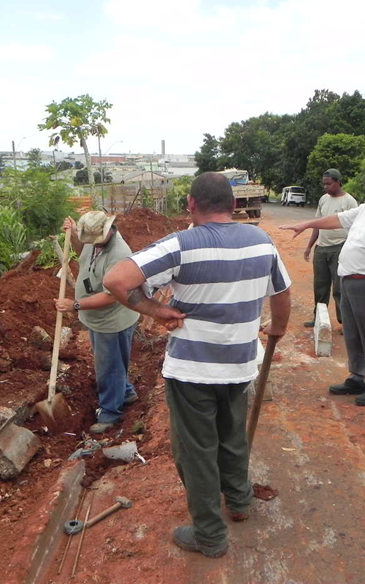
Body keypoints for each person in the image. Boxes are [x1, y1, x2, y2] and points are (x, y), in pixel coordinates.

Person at [103, 172, 292, 558]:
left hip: (193, 370)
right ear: (234, 204)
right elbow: (283, 291)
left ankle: (209, 534)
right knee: (232, 435)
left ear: (191, 204)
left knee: (197, 451)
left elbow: (116, 279)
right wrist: (279, 328)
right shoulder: (262, 241)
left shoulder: (181, 245)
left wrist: (156, 311)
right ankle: (239, 501)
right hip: (240, 364)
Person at [281, 162, 365, 406]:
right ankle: (357, 376)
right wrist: (307, 224)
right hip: (349, 281)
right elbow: (337, 220)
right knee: (352, 332)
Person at [54, 211, 141, 434]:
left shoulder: (120, 254)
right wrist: (73, 235)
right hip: (97, 319)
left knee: (108, 367)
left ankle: (111, 412)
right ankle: (126, 392)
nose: (92, 243)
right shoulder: (96, 241)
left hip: (112, 320)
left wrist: (74, 305)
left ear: (109, 230)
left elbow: (111, 295)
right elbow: (83, 252)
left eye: (95, 239)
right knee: (114, 360)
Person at [302, 168, 357, 328]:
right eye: (324, 184)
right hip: (322, 248)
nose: (325, 187)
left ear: (338, 182)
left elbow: (355, 228)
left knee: (339, 289)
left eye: (329, 184)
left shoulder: (349, 201)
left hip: (340, 248)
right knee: (320, 286)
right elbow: (317, 224)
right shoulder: (323, 199)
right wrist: (309, 246)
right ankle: (318, 319)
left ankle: (344, 322)